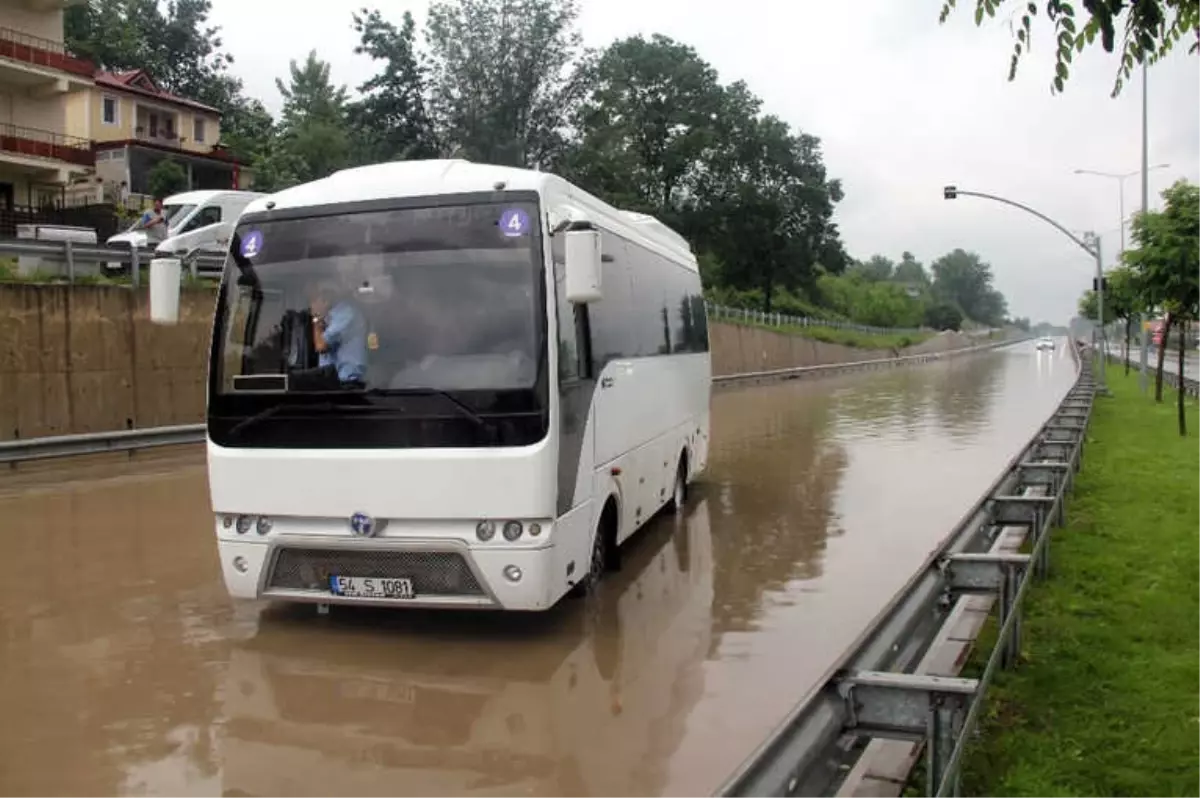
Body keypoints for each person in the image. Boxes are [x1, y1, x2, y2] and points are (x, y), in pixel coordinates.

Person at [297, 279, 368, 389]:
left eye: (313, 300)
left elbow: (321, 346)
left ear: (326, 300)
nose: (311, 306)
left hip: (348, 384)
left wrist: (316, 319)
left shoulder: (345, 314)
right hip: (332, 383)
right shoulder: (329, 317)